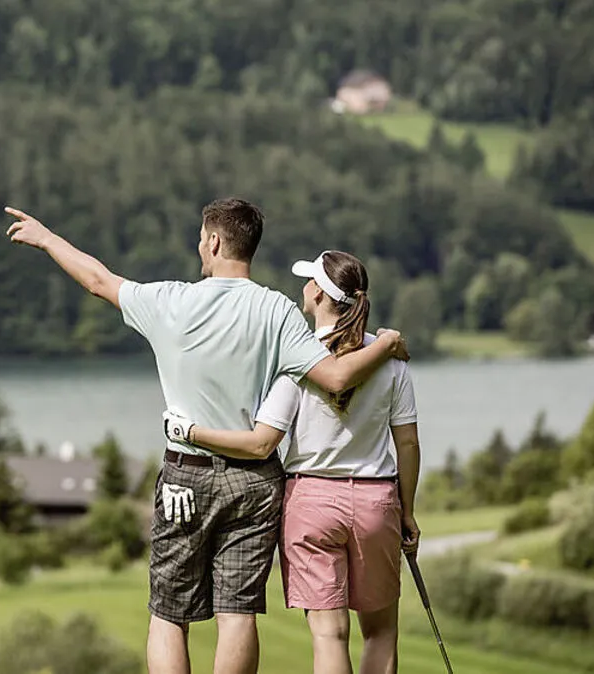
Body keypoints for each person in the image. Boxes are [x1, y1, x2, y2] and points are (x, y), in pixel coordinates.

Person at [3, 200, 409, 674]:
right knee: (237, 614)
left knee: (169, 615)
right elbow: (337, 378)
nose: (200, 245)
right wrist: (385, 344)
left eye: (201, 237)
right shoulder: (278, 311)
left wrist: (48, 239)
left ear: (214, 242)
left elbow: (98, 280)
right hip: (256, 483)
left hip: (186, 477)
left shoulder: (170, 301)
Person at [162, 249, 422, 674]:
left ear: (318, 293)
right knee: (380, 633)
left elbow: (261, 442)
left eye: (308, 281)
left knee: (328, 636)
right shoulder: (392, 360)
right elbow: (407, 443)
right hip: (377, 503)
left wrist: (188, 432)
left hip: (311, 504)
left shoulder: (294, 360)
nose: (303, 287)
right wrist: (407, 512)